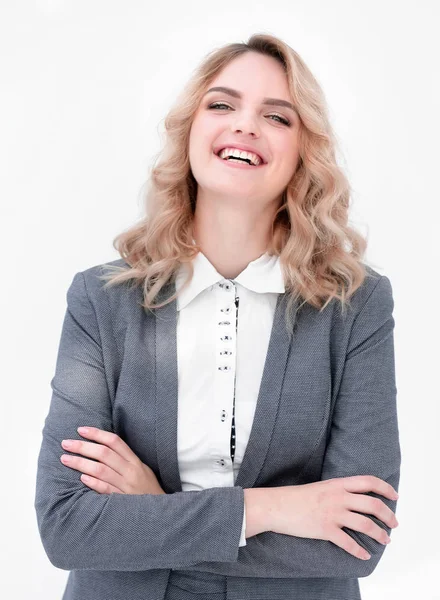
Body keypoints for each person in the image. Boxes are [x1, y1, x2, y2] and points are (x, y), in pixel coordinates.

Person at [34, 33, 401, 600]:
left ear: (305, 151)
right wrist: (273, 509)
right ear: (190, 132)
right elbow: (67, 527)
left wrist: (156, 515)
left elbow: (358, 537)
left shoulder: (355, 307)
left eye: (277, 116)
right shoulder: (101, 299)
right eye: (222, 104)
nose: (245, 126)